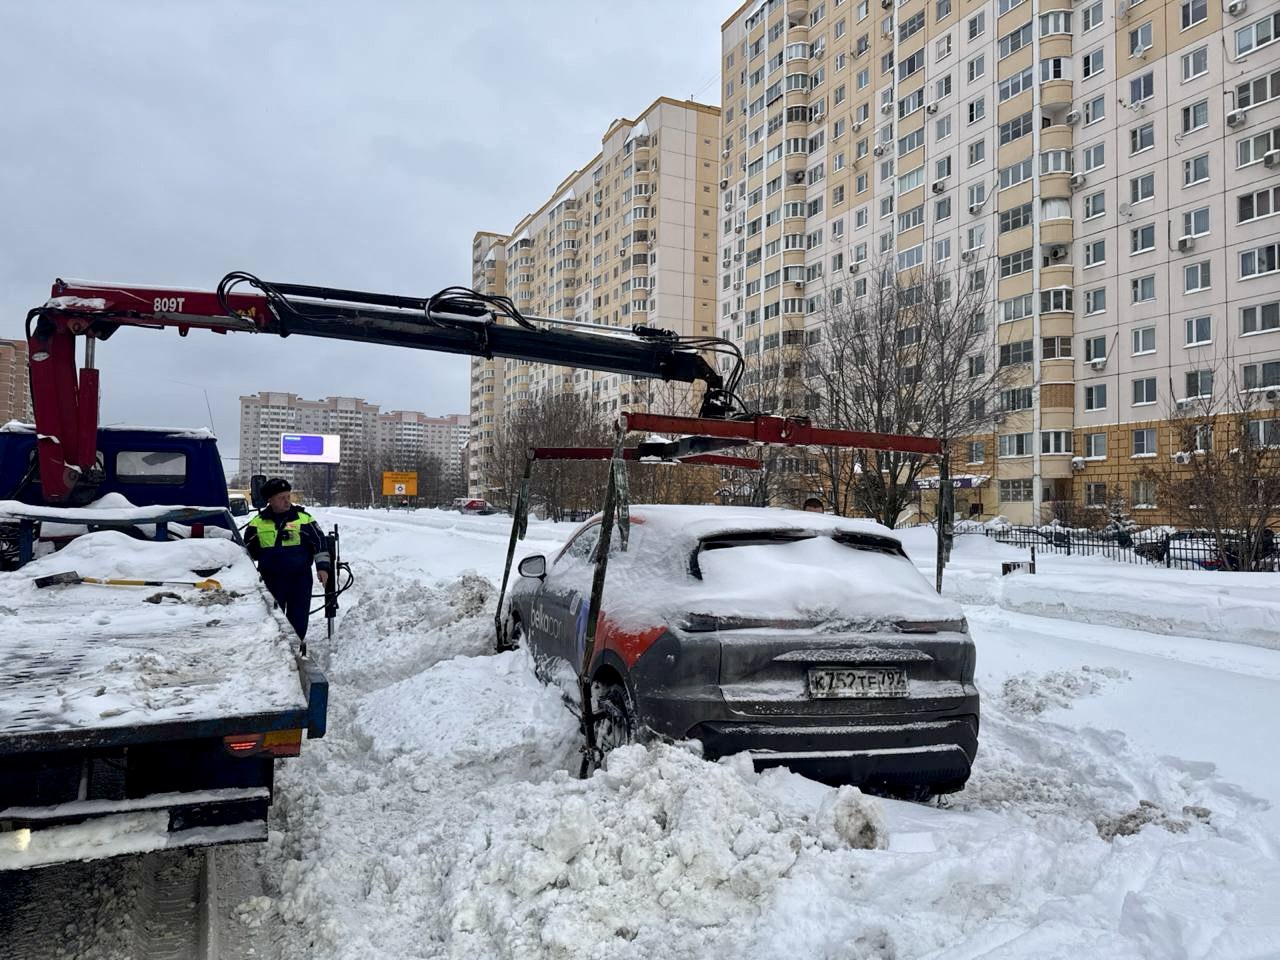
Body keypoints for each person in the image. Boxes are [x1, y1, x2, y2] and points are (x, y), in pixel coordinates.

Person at [244, 478, 330, 640]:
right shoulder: (257, 524)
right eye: (281, 498)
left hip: (300, 579)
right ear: (270, 500)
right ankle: (276, 650)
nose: (287, 501)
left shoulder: (304, 519)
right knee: (273, 620)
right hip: (270, 580)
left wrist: (323, 568)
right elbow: (247, 554)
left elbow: (320, 544)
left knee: (298, 618)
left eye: (288, 497)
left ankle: (297, 648)